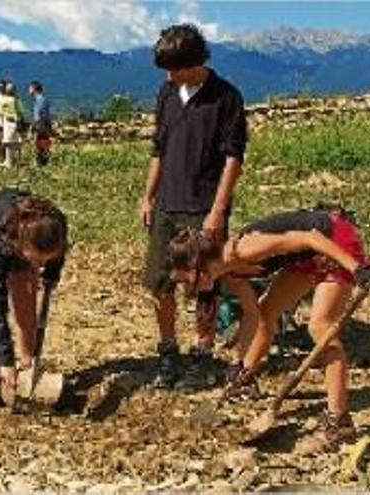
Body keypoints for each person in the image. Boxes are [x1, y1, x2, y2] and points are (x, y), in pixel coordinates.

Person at [166, 206, 370, 453]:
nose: (187, 286)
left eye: (185, 279)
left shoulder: (245, 249)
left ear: (198, 266)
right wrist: (241, 365)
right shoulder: (231, 272)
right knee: (268, 311)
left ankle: (339, 421)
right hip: (308, 256)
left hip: (334, 241)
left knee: (320, 327)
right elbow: (254, 315)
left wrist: (356, 268)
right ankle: (245, 380)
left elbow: (311, 237)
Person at [139, 23, 247, 391]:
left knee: (205, 286)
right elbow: (158, 149)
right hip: (168, 203)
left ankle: (202, 356)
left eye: (176, 68)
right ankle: (168, 351)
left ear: (195, 61)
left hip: (203, 206)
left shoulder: (226, 97)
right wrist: (148, 195)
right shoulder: (167, 93)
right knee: (160, 283)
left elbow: (233, 158)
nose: (171, 76)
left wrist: (217, 211)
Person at [0, 189, 68, 406]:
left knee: (26, 297)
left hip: (21, 232)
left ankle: (28, 366)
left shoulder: (54, 225)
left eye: (45, 260)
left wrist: (52, 272)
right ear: (21, 247)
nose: (41, 266)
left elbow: (56, 252)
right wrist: (4, 360)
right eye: (37, 260)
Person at [0, 83, 26, 168]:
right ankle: (17, 160)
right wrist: (23, 123)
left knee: (8, 143)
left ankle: (9, 161)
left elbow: (1, 113)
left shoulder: (2, 100)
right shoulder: (16, 100)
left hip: (7, 122)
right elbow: (21, 112)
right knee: (17, 142)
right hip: (16, 123)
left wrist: (1, 124)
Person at [29, 80, 53, 166]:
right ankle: (44, 162)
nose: (29, 90)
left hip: (40, 125)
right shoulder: (44, 99)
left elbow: (38, 116)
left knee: (39, 145)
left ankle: (40, 163)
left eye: (30, 88)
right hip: (45, 125)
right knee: (44, 145)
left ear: (34, 89)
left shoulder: (39, 100)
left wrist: (33, 127)